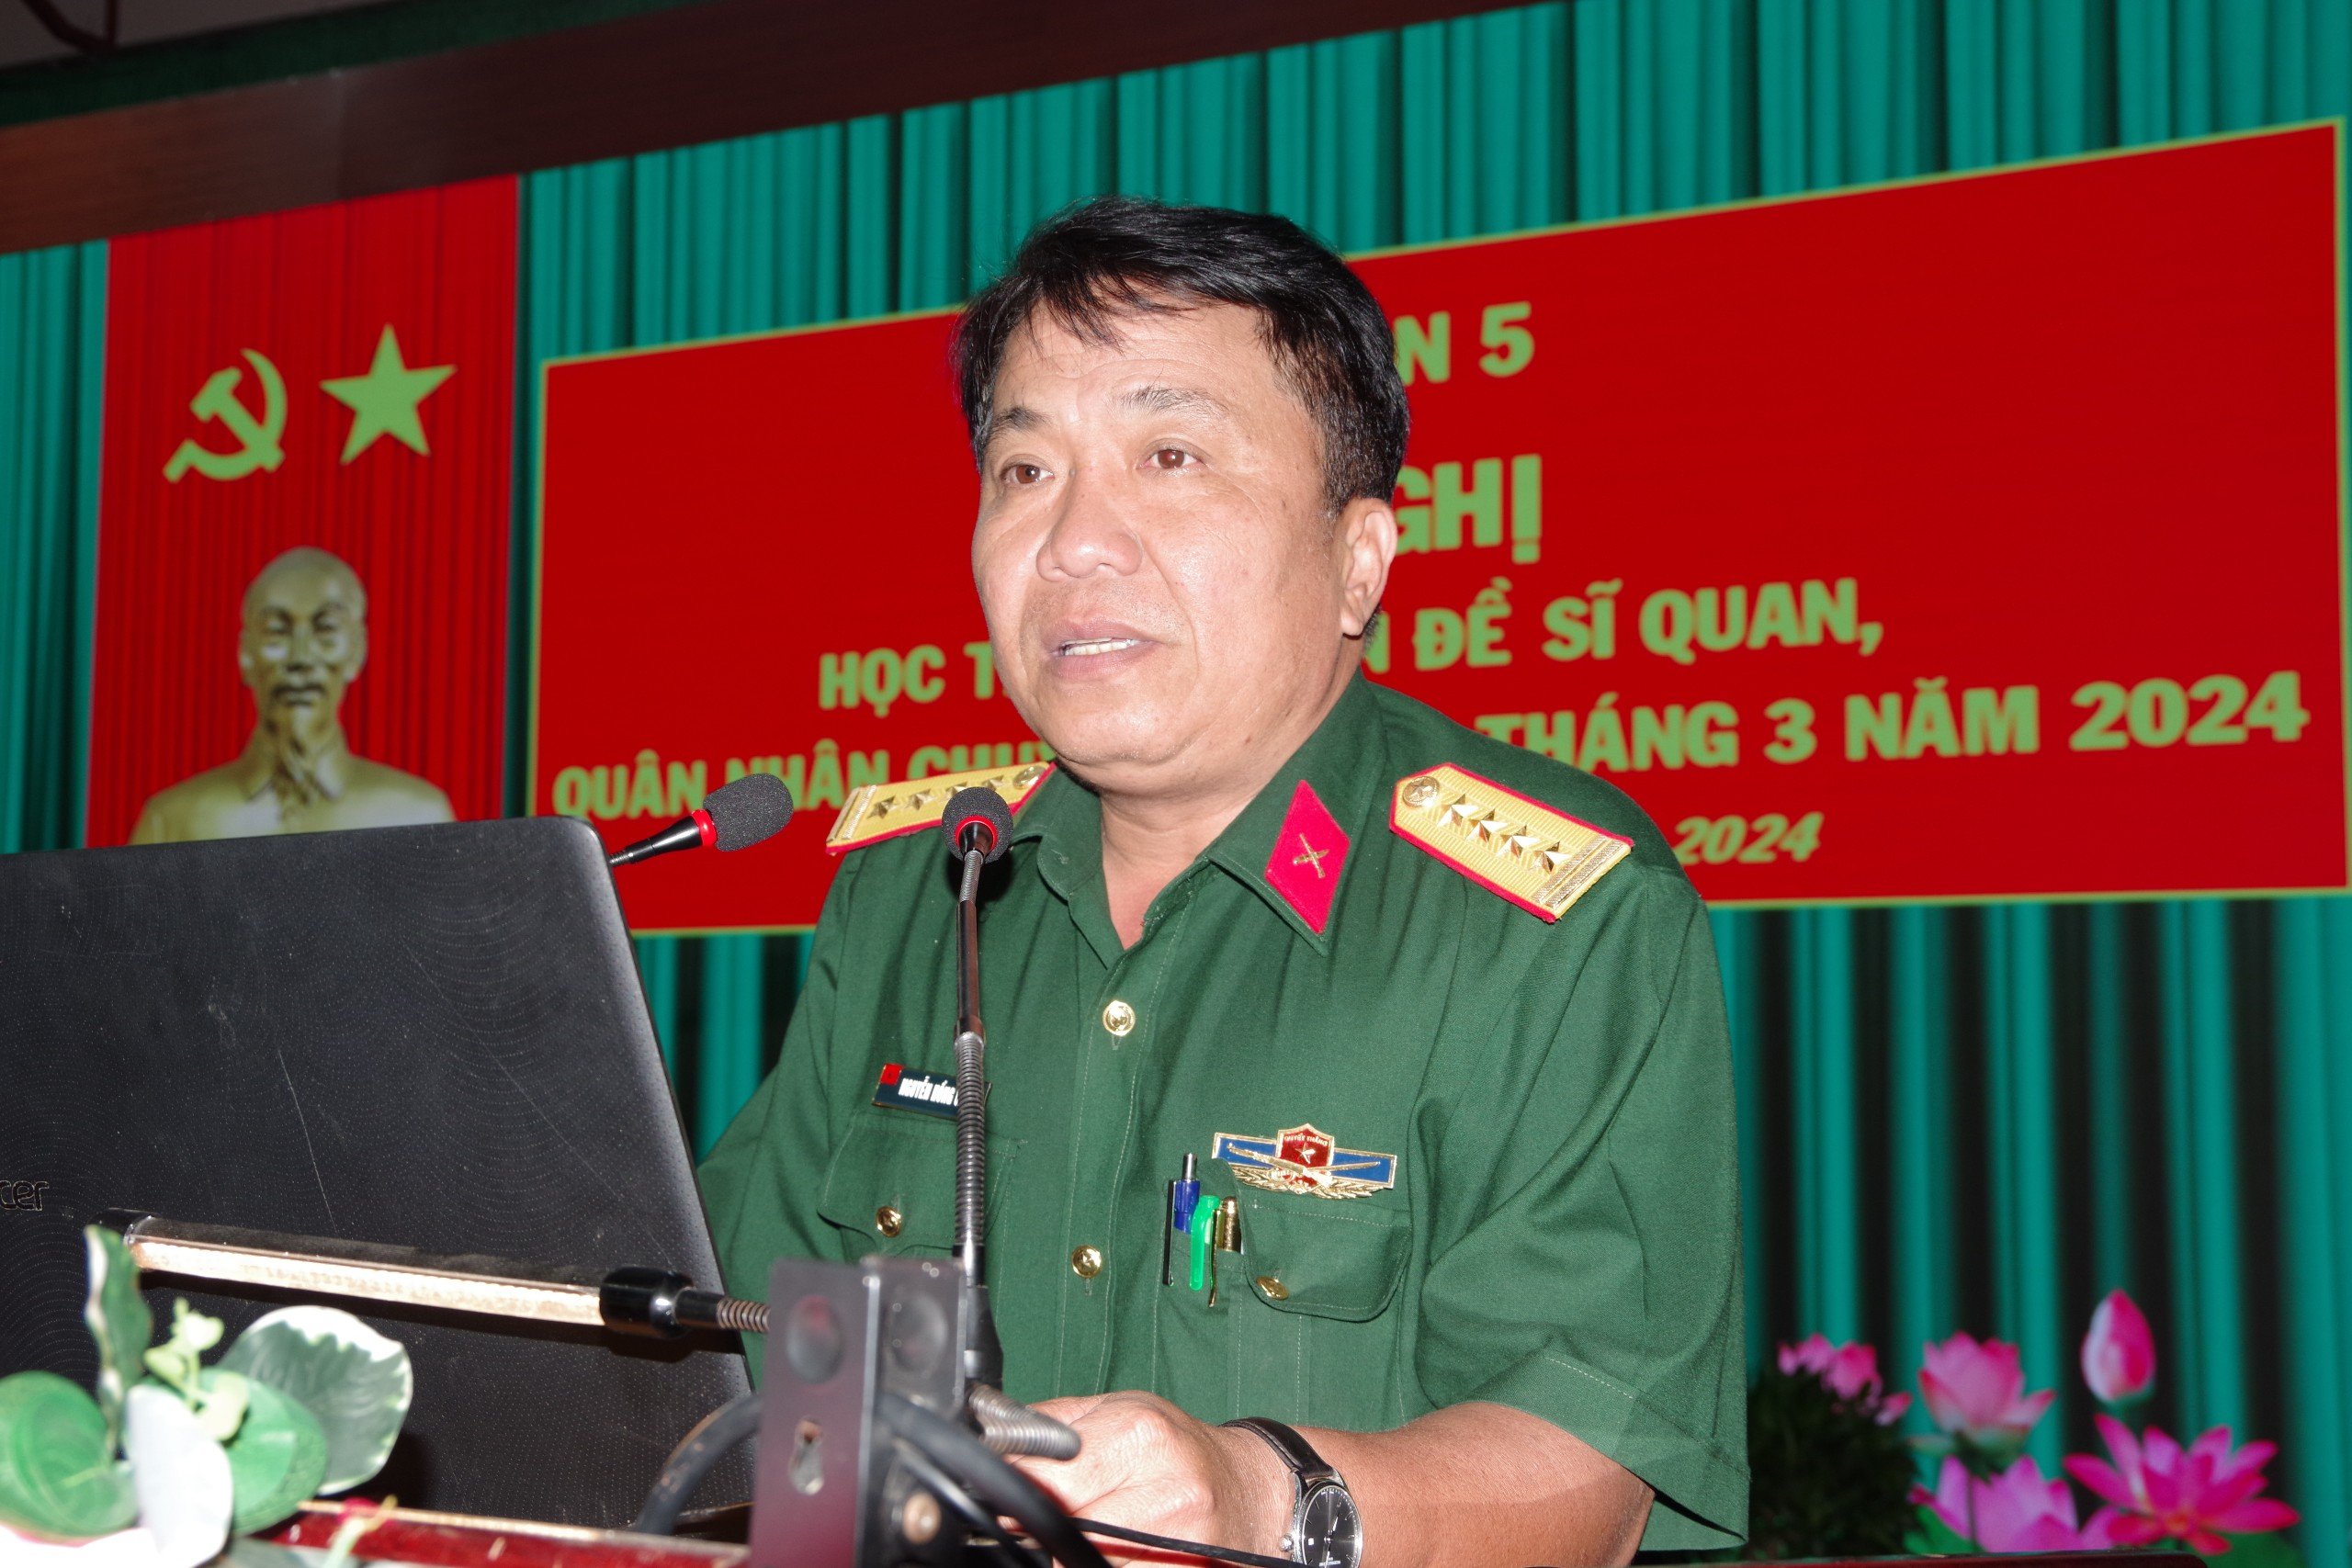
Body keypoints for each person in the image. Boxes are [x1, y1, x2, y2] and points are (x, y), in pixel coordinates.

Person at [699, 197, 1746, 1567]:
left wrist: (1263, 1497)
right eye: (1025, 469)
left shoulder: (1550, 917)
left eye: (1170, 454)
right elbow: (731, 1361)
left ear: (1358, 561)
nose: (1073, 540)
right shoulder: (918, 889)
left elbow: (1594, 1471)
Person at [130, 546, 453, 844]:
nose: (300, 658)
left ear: (357, 650)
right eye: (276, 632)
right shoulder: (170, 823)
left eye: (325, 630)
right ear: (245, 653)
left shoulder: (420, 818)